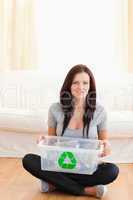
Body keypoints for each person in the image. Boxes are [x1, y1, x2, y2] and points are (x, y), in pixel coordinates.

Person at [22, 64, 119, 198]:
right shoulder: (55, 109)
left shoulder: (100, 111)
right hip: (61, 165)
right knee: (28, 160)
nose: (81, 87)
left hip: (87, 167)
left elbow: (104, 142)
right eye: (76, 83)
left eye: (85, 83)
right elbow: (51, 142)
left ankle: (55, 184)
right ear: (69, 85)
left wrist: (106, 146)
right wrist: (44, 140)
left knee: (112, 171)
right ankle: (85, 190)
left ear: (91, 86)